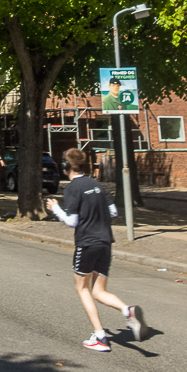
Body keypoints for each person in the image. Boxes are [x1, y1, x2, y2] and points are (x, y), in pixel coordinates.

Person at [47, 147, 145, 352]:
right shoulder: (97, 185)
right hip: (105, 242)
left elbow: (72, 221)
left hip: (87, 242)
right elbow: (114, 211)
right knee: (99, 291)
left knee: (82, 289)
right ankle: (127, 310)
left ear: (66, 167)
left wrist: (55, 208)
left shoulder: (72, 187)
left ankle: (100, 337)